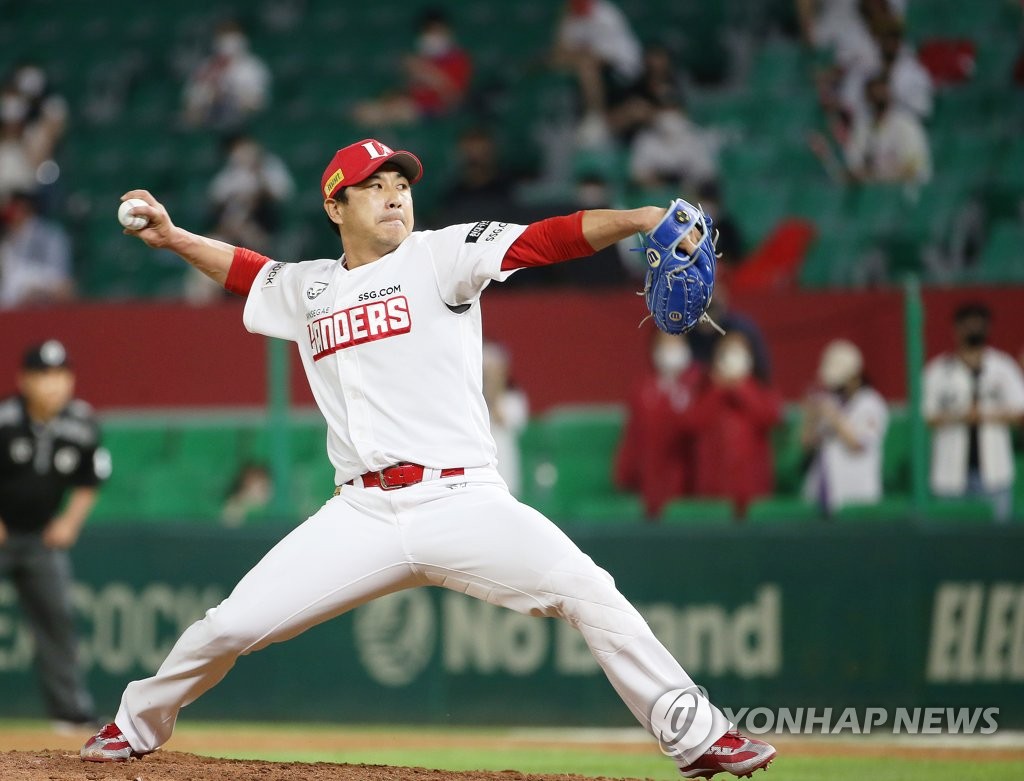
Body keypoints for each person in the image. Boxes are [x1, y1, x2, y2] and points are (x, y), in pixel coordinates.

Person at [80, 138, 776, 778]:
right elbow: (249, 271)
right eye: (372, 185)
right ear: (335, 204)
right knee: (230, 624)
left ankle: (699, 735)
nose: (393, 195)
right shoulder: (310, 287)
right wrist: (173, 240)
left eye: (400, 184)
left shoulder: (442, 255)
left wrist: (640, 218)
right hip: (361, 511)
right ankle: (136, 723)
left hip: (462, 499)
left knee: (588, 587)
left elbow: (545, 239)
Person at [0, 340, 109, 730]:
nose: (53, 385)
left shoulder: (81, 422)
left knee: (58, 619)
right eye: (43, 376)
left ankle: (69, 711)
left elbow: (90, 478)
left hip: (40, 540)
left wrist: (69, 522)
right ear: (24, 380)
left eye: (61, 375)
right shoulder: (5, 418)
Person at [923, 303, 1024, 522]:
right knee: (950, 541)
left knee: (995, 540)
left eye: (978, 323)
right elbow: (927, 415)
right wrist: (960, 416)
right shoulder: (938, 371)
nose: (973, 329)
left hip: (994, 473)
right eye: (967, 323)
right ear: (956, 329)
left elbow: (1020, 411)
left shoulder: (1002, 367)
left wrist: (985, 414)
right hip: (950, 474)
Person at [681, 334, 782, 517]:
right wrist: (718, 390)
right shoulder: (705, 390)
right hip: (713, 489)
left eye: (739, 352)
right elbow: (692, 423)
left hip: (752, 488)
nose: (733, 358)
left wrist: (740, 388)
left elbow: (769, 417)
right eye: (727, 353)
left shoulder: (760, 388)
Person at [615, 331, 701, 518]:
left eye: (677, 343)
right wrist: (625, 474)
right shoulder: (643, 388)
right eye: (666, 344)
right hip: (650, 484)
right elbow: (633, 436)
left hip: (691, 486)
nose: (672, 350)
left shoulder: (700, 385)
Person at [801, 340, 889, 515]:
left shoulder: (871, 404)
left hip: (857, 496)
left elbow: (857, 444)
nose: (835, 387)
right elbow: (807, 444)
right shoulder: (830, 401)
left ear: (855, 377)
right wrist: (811, 416)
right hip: (822, 496)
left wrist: (833, 416)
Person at [352, 9, 472, 126]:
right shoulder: (419, 58)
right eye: (428, 31)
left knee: (391, 113)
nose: (433, 36)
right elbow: (406, 88)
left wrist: (425, 72)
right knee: (363, 111)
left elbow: (454, 98)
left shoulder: (458, 60)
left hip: (436, 112)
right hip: (411, 106)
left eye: (437, 31)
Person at [551, 0, 643, 148]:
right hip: (601, 73)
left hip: (625, 72)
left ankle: (596, 118)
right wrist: (561, 20)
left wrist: (575, 56)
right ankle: (593, 123)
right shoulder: (572, 16)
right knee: (581, 66)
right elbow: (558, 56)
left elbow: (604, 58)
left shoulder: (606, 16)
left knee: (586, 66)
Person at [182, 21, 271, 131]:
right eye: (223, 40)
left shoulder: (253, 67)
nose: (228, 45)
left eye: (232, 39)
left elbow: (258, 103)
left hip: (245, 123)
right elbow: (192, 104)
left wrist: (229, 95)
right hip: (210, 122)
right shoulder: (206, 67)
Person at [0, 189, 74, 308]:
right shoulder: (7, 242)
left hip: (46, 302)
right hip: (13, 308)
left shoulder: (51, 236)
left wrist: (38, 291)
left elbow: (61, 281)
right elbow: (8, 287)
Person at [482, 342, 529, 498]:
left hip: (506, 470)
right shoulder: (473, 402)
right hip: (481, 473)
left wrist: (493, 392)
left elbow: (504, 420)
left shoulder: (514, 400)